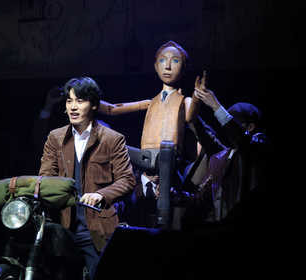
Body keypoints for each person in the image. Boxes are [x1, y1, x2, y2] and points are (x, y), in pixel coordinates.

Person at [97, 41, 205, 227]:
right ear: (155, 66)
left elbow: (191, 116)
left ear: (185, 68)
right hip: (145, 157)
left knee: (166, 158)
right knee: (111, 144)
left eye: (175, 61)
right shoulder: (151, 102)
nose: (168, 66)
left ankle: (162, 228)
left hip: (168, 155)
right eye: (162, 60)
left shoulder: (183, 100)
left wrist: (197, 96)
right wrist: (86, 99)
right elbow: (113, 109)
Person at [38, 77, 135, 277]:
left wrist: (102, 195)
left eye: (80, 101)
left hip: (95, 227)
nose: (73, 107)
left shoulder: (112, 139)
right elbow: (45, 177)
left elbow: (127, 180)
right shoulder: (55, 138)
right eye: (69, 101)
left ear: (94, 105)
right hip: (60, 225)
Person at [172, 87, 272, 222]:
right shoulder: (219, 159)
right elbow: (198, 197)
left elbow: (244, 140)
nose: (227, 128)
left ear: (251, 127)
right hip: (225, 230)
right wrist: (173, 195)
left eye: (233, 123)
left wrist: (215, 105)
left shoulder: (261, 147)